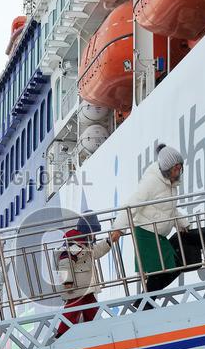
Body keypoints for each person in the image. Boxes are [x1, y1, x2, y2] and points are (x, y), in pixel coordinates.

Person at [113, 145, 190, 303]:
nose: (178, 172)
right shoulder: (151, 182)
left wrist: (183, 224)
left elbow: (170, 209)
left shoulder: (170, 184)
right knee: (161, 268)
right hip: (146, 232)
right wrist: (119, 229)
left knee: (167, 267)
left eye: (180, 168)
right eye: (176, 168)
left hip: (157, 234)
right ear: (168, 168)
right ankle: (145, 302)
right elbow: (132, 204)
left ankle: (144, 301)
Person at [55, 224, 121, 338]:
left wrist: (109, 241)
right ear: (87, 232)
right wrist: (67, 282)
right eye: (94, 232)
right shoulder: (73, 246)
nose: (94, 235)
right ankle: (62, 334)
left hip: (84, 288)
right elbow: (65, 263)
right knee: (72, 310)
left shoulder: (84, 245)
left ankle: (95, 328)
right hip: (75, 288)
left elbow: (97, 251)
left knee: (91, 308)